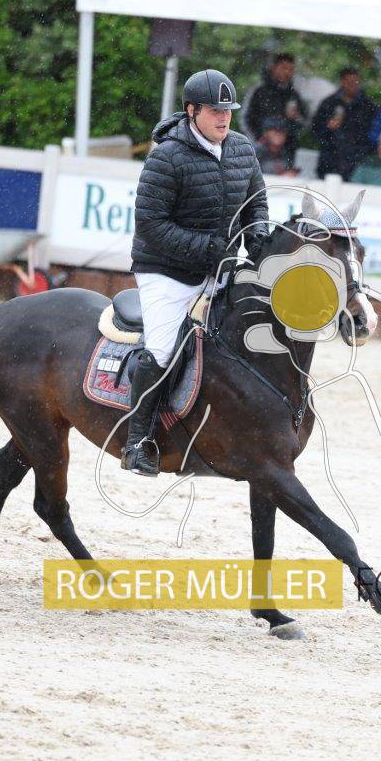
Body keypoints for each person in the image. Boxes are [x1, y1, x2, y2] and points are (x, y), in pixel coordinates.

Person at [127, 69, 270, 476]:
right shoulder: (166, 156)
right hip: (166, 271)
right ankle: (137, 442)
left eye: (228, 110)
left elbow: (256, 203)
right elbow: (151, 225)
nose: (224, 117)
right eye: (214, 110)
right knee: (162, 348)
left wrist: (257, 237)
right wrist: (209, 248)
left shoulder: (241, 149)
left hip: (219, 267)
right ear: (191, 111)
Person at [311, 67, 376, 179]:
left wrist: (361, 153)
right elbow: (315, 131)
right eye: (349, 81)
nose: (352, 85)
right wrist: (327, 127)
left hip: (357, 167)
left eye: (355, 82)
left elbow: (373, 136)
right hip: (329, 163)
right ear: (342, 82)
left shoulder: (368, 106)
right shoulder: (329, 103)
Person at [244, 53, 307, 165]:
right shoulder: (259, 91)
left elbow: (303, 124)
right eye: (283, 68)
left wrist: (296, 118)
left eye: (291, 69)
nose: (287, 72)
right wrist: (258, 138)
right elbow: (246, 118)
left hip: (286, 151)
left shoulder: (294, 95)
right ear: (274, 68)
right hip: (261, 148)